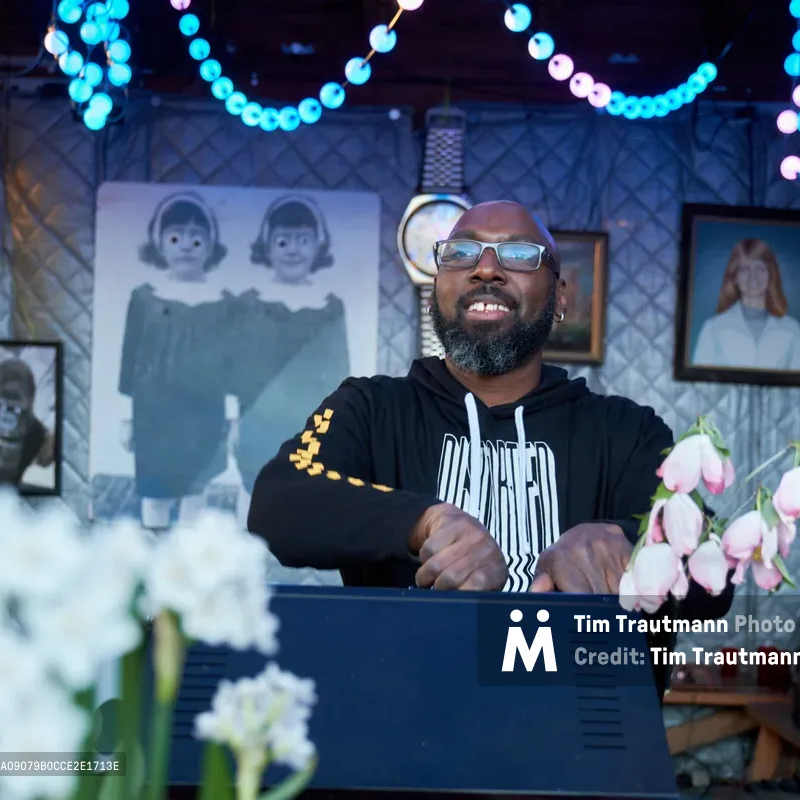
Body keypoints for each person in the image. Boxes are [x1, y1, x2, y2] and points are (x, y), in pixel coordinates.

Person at [248, 201, 733, 690]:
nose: (485, 269)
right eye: (461, 253)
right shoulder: (371, 408)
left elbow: (714, 585)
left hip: (586, 734)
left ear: (561, 296)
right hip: (398, 728)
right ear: (437, 287)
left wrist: (625, 544)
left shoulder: (628, 431)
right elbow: (278, 501)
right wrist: (422, 521)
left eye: (519, 255)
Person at [228, 196, 350, 527]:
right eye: (283, 241)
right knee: (253, 488)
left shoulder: (329, 307)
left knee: (304, 497)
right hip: (257, 420)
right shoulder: (249, 305)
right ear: (266, 247)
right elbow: (235, 367)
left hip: (308, 421)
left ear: (317, 246)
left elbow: (340, 371)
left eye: (303, 241)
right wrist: (234, 417)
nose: (293, 250)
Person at [120, 192, 230, 529]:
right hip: (155, 416)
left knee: (195, 491)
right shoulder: (144, 298)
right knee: (155, 492)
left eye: (196, 239)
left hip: (203, 416)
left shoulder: (222, 303)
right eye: (175, 237)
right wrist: (126, 419)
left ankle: (190, 567)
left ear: (210, 246)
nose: (185, 246)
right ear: (159, 244)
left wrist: (233, 418)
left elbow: (231, 366)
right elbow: (130, 362)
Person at [691, 238, 800, 370]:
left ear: (771, 275)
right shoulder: (712, 328)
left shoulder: (792, 329)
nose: (753, 276)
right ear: (734, 277)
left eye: (760, 269)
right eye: (745, 269)